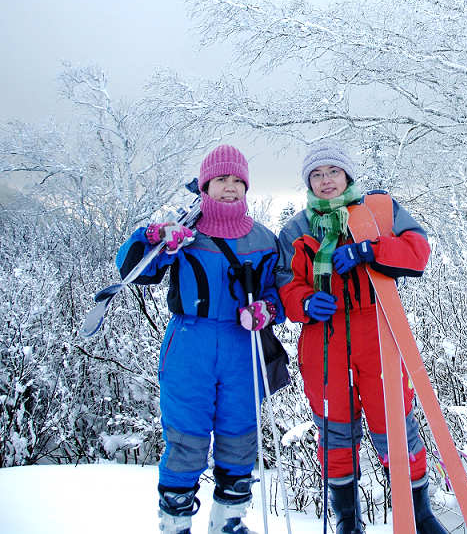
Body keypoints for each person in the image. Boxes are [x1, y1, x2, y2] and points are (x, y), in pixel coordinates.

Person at [277, 141, 447, 534]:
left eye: (333, 172)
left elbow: (418, 251)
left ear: (348, 175)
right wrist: (304, 303)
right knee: (334, 430)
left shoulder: (379, 212)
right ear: (308, 182)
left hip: (378, 331)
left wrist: (371, 249)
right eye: (317, 175)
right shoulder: (295, 229)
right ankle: (347, 521)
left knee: (395, 424)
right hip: (324, 340)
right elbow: (284, 283)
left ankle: (418, 513)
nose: (325, 181)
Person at [115, 145, 284, 534]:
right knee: (186, 437)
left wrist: (267, 311)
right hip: (190, 344)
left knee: (239, 434)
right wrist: (154, 236)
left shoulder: (263, 238)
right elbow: (134, 270)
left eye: (238, 181)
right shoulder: (185, 232)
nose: (230, 187)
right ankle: (175, 524)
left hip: (244, 346)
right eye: (222, 180)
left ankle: (229, 521)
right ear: (206, 185)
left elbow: (278, 292)